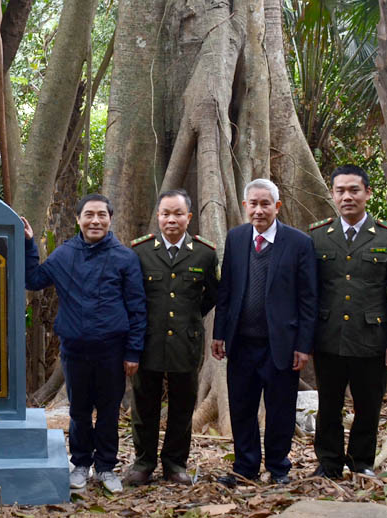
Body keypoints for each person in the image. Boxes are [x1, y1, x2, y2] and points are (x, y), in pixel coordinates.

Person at [21, 193, 146, 494]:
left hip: (112, 351)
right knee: (78, 411)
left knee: (108, 411)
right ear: (79, 219)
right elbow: (34, 279)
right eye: (89, 214)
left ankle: (105, 467)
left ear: (110, 219)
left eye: (101, 215)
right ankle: (79, 464)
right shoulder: (64, 255)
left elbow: (138, 308)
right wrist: (28, 243)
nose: (95, 220)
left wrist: (133, 351)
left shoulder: (125, 258)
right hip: (75, 350)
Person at [211, 179, 317, 486]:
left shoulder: (299, 243)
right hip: (241, 343)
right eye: (253, 204)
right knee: (242, 407)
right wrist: (219, 334)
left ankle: (278, 467)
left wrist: (304, 345)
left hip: (280, 344)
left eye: (265, 204)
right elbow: (227, 290)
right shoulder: (236, 238)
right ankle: (244, 467)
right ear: (245, 206)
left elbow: (308, 298)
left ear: (277, 207)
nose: (259, 210)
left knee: (280, 408)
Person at [308, 165, 387, 479]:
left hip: (371, 338)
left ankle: (362, 462)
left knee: (368, 407)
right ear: (333, 195)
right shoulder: (318, 236)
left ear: (368, 193)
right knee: (329, 406)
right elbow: (309, 292)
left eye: (354, 190)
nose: (347, 196)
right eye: (340, 190)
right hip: (329, 336)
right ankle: (329, 463)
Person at [126, 189, 218, 486]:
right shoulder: (140, 251)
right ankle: (143, 463)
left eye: (178, 214)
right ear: (158, 216)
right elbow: (132, 297)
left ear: (189, 217)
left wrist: (188, 318)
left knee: (182, 406)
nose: (171, 219)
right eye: (166, 213)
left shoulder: (204, 253)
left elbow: (211, 297)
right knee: (145, 405)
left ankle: (175, 464)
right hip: (148, 341)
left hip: (185, 341)